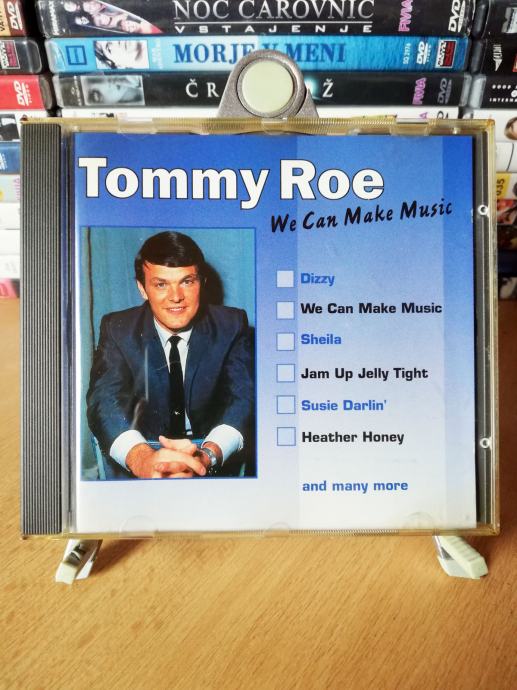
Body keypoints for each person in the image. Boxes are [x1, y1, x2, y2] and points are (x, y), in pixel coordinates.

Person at [87, 231, 254, 480]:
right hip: (142, 447)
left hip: (210, 449)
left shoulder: (232, 324)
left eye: (187, 282)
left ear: (202, 283)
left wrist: (206, 456)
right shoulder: (118, 328)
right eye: (161, 284)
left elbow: (243, 399)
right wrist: (142, 459)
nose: (176, 297)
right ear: (142, 289)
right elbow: (104, 401)